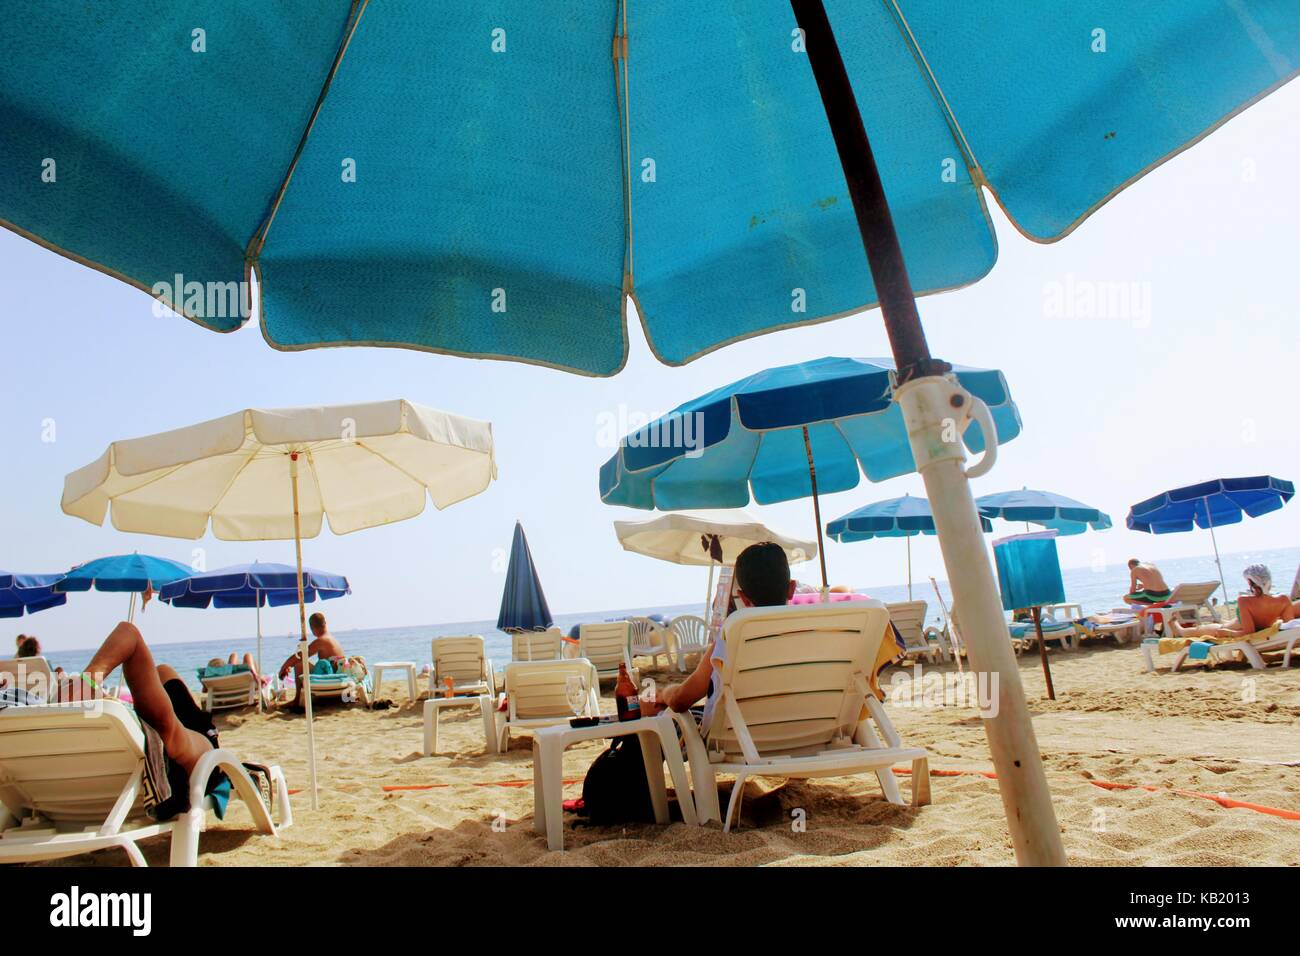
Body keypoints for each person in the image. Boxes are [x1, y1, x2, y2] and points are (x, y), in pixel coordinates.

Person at [56, 621, 226, 818]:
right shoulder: (173, 734)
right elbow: (129, 633)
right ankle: (89, 686)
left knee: (163, 674)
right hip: (193, 761)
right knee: (163, 674)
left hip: (178, 763)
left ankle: (89, 686)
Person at [642, 542, 796, 731]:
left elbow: (680, 701)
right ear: (792, 588)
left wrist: (665, 693)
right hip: (813, 746)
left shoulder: (728, 642)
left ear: (743, 598)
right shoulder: (817, 636)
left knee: (647, 705)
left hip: (740, 752)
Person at [1171, 564, 1295, 638]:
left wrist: (1227, 632)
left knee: (1207, 629)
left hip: (1235, 627)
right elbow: (1289, 624)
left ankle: (1181, 630)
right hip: (1255, 625)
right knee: (1221, 623)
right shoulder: (1283, 599)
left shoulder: (1244, 601)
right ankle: (1220, 621)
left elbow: (1249, 631)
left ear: (1251, 582)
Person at [277, 612, 346, 708]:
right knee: (302, 663)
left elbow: (300, 656)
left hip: (329, 679)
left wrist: (283, 668)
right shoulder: (332, 639)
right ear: (325, 623)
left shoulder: (322, 640)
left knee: (299, 664)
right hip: (336, 678)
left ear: (312, 628)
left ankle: (296, 701)